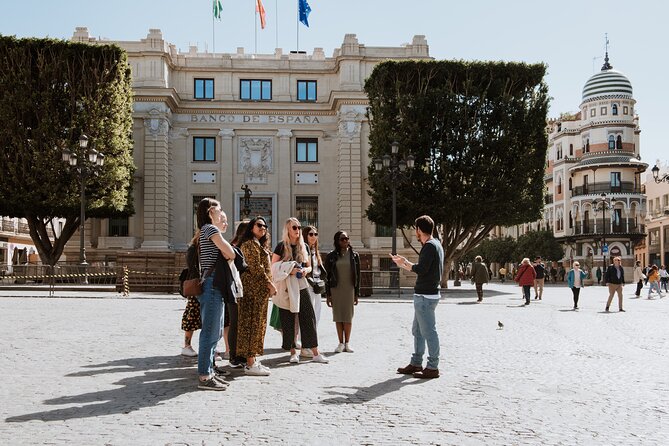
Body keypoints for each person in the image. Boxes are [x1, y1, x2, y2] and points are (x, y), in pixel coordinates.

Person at [392, 215, 444, 379]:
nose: (415, 232)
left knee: (428, 331)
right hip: (426, 294)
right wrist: (406, 262)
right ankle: (416, 363)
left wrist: (405, 264)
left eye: (416, 229)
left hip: (425, 296)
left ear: (419, 230)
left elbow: (421, 269)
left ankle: (432, 366)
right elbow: (425, 268)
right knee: (418, 331)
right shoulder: (436, 244)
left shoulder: (429, 246)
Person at [271, 218, 328, 364]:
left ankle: (315, 352)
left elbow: (309, 266)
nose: (297, 230)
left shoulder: (304, 247)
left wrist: (304, 270)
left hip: (302, 284)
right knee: (288, 319)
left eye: (298, 227)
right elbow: (273, 267)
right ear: (288, 230)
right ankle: (292, 352)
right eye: (294, 227)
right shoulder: (281, 246)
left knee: (308, 316)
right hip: (286, 285)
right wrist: (290, 269)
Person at [195, 198, 236, 390]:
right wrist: (228, 249)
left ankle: (210, 369)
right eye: (219, 210)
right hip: (212, 284)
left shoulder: (207, 230)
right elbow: (231, 253)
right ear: (211, 211)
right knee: (210, 332)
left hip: (213, 283)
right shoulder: (210, 229)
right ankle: (204, 376)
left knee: (216, 331)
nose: (222, 213)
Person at [238, 216, 276, 376]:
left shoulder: (258, 244)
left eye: (265, 226)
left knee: (257, 324)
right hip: (252, 291)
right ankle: (250, 363)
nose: (263, 228)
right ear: (251, 227)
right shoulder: (249, 244)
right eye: (259, 225)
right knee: (252, 325)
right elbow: (256, 267)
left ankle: (252, 360)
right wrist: (270, 284)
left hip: (259, 292)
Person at [325, 230, 360, 353]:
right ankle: (340, 343)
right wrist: (328, 294)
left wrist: (356, 293)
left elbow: (358, 276)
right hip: (336, 289)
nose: (345, 241)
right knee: (338, 316)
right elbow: (327, 276)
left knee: (348, 317)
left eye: (347, 238)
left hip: (349, 289)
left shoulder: (354, 255)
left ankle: (347, 343)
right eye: (342, 239)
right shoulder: (331, 256)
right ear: (337, 241)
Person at [301, 225, 326, 357]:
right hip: (308, 285)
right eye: (311, 234)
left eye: (316, 234)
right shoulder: (303, 250)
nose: (314, 237)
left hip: (317, 285)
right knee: (308, 316)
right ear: (305, 235)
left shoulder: (315, 251)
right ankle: (306, 346)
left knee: (317, 315)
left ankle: (311, 344)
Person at [226, 222, 248, 368]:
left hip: (236, 289)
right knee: (236, 322)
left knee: (237, 322)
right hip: (236, 289)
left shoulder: (233, 245)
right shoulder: (236, 247)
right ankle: (235, 355)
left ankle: (236, 354)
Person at [180, 233, 201, 357]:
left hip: (198, 284)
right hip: (196, 285)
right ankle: (187, 345)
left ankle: (188, 345)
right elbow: (193, 267)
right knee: (192, 315)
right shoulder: (194, 249)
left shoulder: (195, 248)